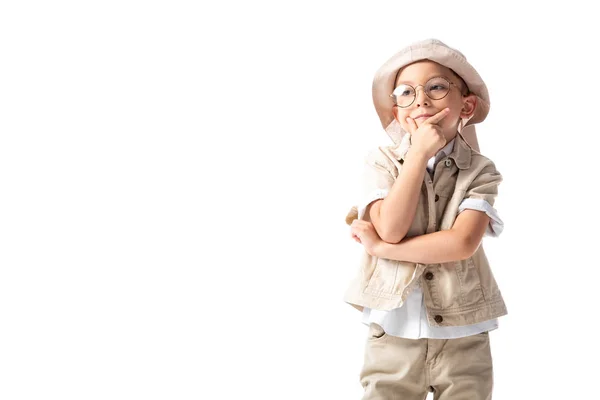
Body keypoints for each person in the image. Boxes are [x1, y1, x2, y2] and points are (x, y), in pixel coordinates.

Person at [344, 38, 507, 399]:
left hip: (463, 330)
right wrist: (417, 154)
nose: (420, 100)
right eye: (406, 92)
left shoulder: (480, 171)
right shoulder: (381, 162)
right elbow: (391, 227)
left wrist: (382, 249)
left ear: (466, 104)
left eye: (435, 87)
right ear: (396, 111)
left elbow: (461, 243)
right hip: (393, 329)